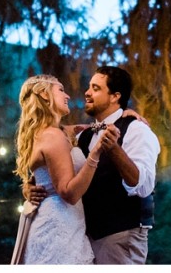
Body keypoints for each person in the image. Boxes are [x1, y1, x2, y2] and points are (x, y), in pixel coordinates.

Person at [27, 65, 160, 264]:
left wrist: (113, 148)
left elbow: (143, 185)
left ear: (115, 96)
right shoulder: (82, 135)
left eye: (96, 88)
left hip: (119, 236)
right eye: (89, 87)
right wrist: (30, 187)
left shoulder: (137, 130)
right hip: (81, 239)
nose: (87, 93)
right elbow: (51, 167)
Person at [12, 74, 118, 264]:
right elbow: (69, 193)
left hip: (65, 226)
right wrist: (96, 152)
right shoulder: (53, 136)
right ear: (44, 94)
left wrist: (126, 114)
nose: (67, 95)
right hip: (59, 230)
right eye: (60, 90)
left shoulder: (54, 132)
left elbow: (86, 126)